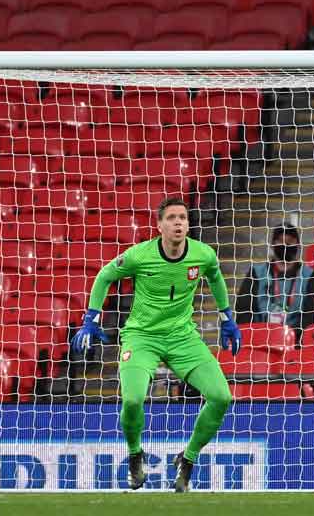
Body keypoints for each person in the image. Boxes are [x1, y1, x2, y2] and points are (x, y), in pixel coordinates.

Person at [70, 197, 241, 493]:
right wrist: (91, 319)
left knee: (221, 396)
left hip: (183, 338)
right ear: (159, 225)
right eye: (172, 218)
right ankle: (136, 456)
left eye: (183, 218)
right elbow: (105, 276)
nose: (178, 223)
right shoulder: (139, 255)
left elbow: (214, 275)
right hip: (141, 337)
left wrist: (227, 318)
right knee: (133, 399)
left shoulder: (202, 254)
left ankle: (187, 459)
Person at [235, 224, 314, 341]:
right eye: (280, 241)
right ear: (272, 244)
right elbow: (243, 310)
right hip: (258, 340)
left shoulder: (310, 275)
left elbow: (312, 316)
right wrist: (259, 335)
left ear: (298, 245)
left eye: (290, 241)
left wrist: (289, 337)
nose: (285, 245)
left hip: (296, 343)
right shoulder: (256, 272)